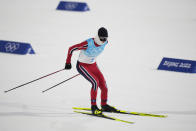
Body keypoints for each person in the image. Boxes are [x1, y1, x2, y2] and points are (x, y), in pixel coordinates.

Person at [65, 27, 118, 115]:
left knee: (103, 84)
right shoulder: (87, 44)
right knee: (95, 82)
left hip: (93, 65)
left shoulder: (105, 43)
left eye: (105, 38)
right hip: (82, 66)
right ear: (97, 37)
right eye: (101, 38)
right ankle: (93, 107)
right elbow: (71, 49)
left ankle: (104, 105)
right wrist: (68, 62)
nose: (103, 41)